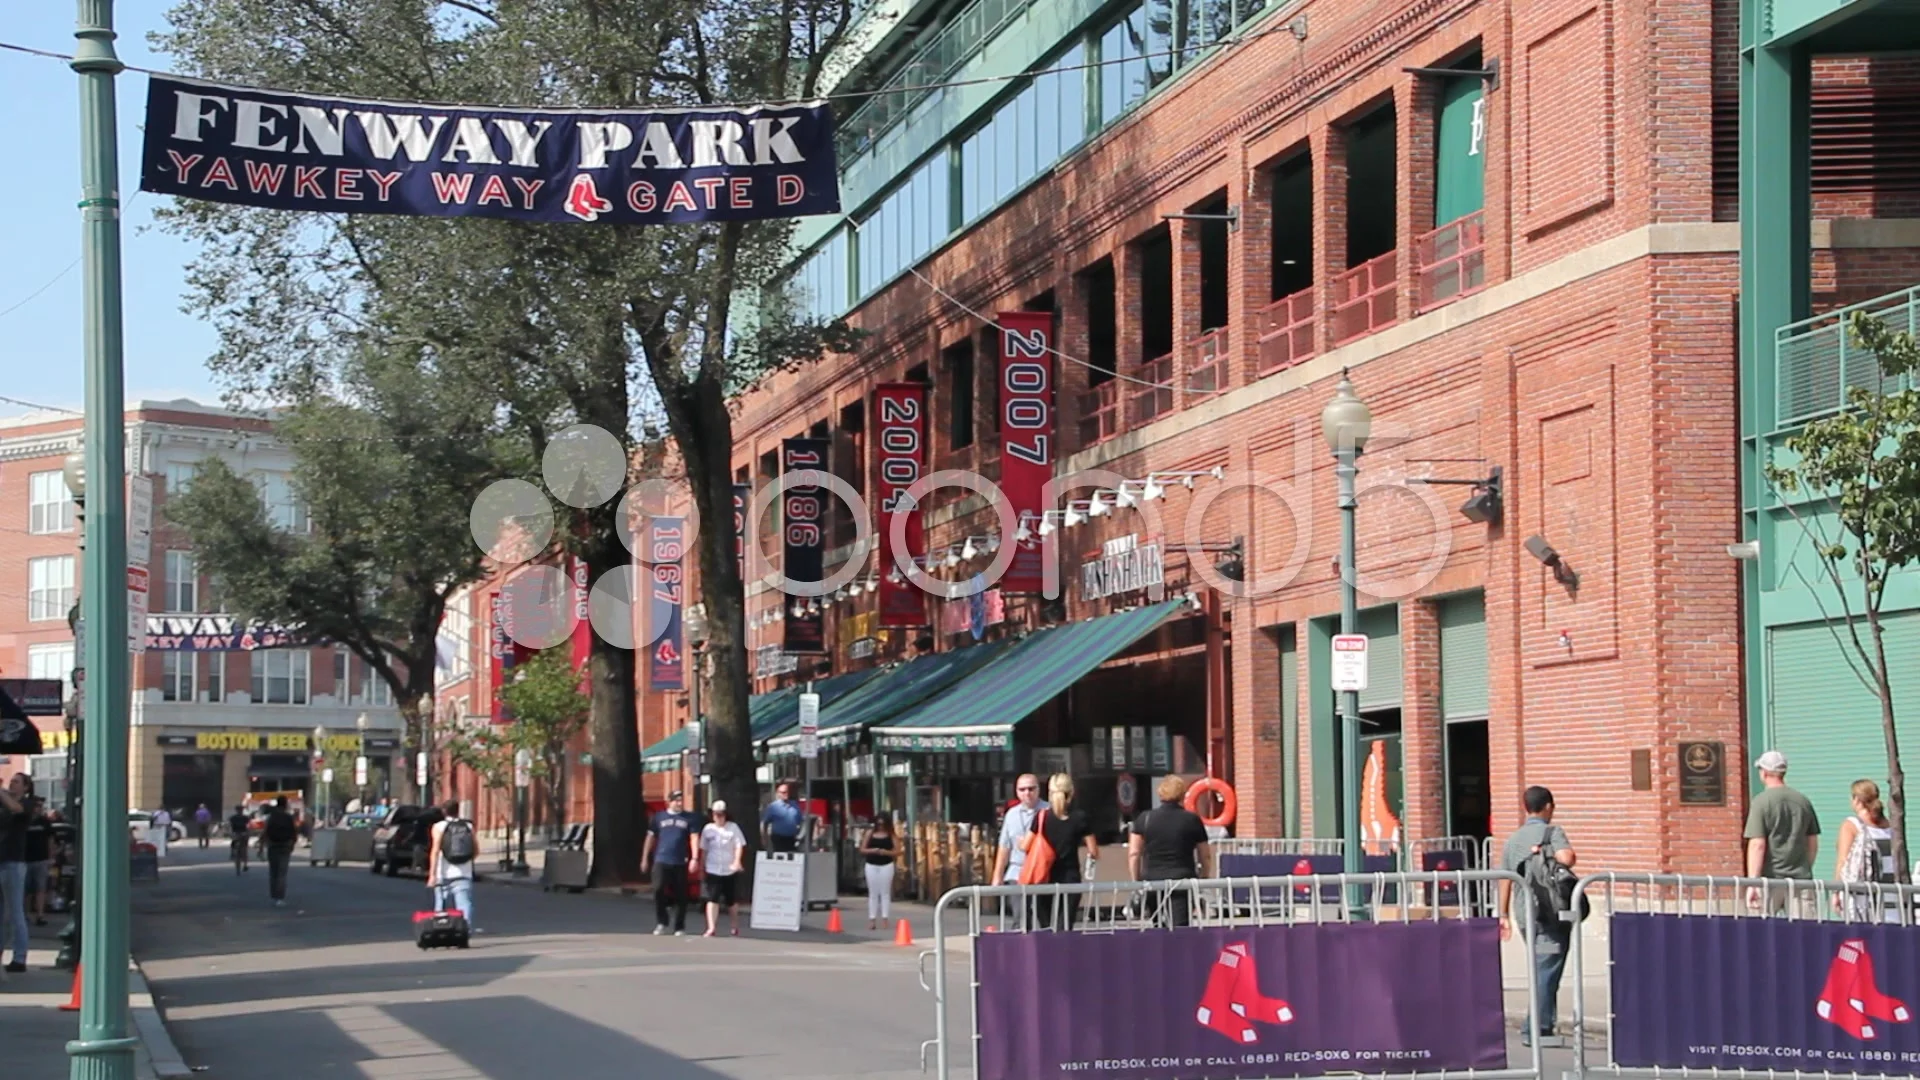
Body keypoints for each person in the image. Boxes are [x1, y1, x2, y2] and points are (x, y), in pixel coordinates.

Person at [1500, 785, 1577, 1046]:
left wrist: (1503, 915)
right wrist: (1550, 853)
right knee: (1548, 967)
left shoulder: (1512, 840)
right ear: (1548, 807)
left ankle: (1545, 1026)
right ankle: (1535, 1028)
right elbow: (1567, 857)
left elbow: (1505, 880)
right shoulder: (1552, 832)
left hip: (1523, 913)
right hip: (1548, 912)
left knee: (1542, 965)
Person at [1128, 774, 1212, 929]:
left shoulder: (1145, 818)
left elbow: (1134, 854)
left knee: (1158, 925)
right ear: (1182, 794)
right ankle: (1179, 952)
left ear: (1160, 793)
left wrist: (1137, 879)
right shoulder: (1191, 820)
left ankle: (1161, 952)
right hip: (1182, 879)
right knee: (1180, 927)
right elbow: (1205, 855)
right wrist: (1203, 877)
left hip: (1153, 879)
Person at [1745, 750, 1820, 914]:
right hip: (1800, 882)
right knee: (1803, 935)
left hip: (1769, 881)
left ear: (1764, 773)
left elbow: (1757, 844)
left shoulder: (1761, 802)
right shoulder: (1802, 801)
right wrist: (1804, 867)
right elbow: (1812, 842)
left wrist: (1753, 883)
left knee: (1762, 934)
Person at [1031, 773, 1097, 931]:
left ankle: (1048, 954)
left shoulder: (1041, 817)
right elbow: (1093, 850)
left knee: (1046, 928)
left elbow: (1026, 845)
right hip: (1070, 878)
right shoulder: (1080, 817)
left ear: (1050, 792)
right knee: (1065, 926)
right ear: (1072, 793)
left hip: (1043, 877)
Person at [1834, 778, 1896, 922]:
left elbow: (1843, 862)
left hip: (1862, 900)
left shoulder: (1852, 825)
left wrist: (1836, 892)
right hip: (1892, 898)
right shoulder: (1891, 826)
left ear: (1856, 800)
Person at [642, 790, 698, 936]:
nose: (679, 803)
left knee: (681, 894)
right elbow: (650, 838)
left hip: (680, 860)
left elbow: (694, 837)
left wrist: (694, 858)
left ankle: (679, 926)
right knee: (658, 888)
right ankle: (662, 921)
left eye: (681, 800)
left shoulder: (688, 818)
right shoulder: (659, 817)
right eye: (676, 800)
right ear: (670, 801)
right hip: (661, 859)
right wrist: (644, 858)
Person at [428, 799, 479, 933]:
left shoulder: (439, 827)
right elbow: (476, 850)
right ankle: (465, 930)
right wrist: (467, 861)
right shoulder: (468, 826)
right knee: (464, 904)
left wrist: (432, 875)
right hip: (463, 872)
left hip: (443, 873)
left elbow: (435, 850)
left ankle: (441, 931)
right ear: (458, 810)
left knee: (441, 905)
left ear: (444, 812)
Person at [0, 774, 34, 971]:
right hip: (1, 859)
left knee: (15, 912)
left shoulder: (26, 804)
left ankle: (19, 957)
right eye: (11, 781)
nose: (12, 784)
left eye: (17, 782)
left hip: (14, 863)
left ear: (26, 788)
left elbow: (16, 809)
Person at [699, 800, 747, 937]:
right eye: (715, 814)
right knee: (712, 898)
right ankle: (711, 927)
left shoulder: (733, 828)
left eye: (721, 815)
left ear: (725, 815)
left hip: (729, 869)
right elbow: (704, 849)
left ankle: (734, 925)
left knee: (730, 900)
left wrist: (737, 861)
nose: (718, 817)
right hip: (713, 868)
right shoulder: (708, 829)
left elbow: (739, 846)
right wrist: (701, 868)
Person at [990, 774, 1044, 889]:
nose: (1027, 793)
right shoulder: (1011, 814)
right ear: (1016, 791)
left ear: (1038, 789)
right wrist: (997, 875)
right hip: (1016, 874)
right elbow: (1004, 846)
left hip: (1042, 874)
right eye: (1022, 789)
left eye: (1031, 789)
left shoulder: (1049, 811)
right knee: (1019, 907)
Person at [860, 817, 899, 930]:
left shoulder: (891, 835)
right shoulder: (870, 833)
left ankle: (885, 919)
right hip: (871, 864)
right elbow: (862, 849)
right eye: (878, 824)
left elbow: (898, 851)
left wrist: (886, 852)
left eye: (883, 824)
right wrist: (873, 850)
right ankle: (872, 919)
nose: (880, 826)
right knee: (873, 893)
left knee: (885, 893)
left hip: (886, 865)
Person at [262, 796, 298, 907]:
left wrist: (262, 846)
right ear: (286, 804)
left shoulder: (271, 817)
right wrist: (292, 844)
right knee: (282, 873)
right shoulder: (289, 817)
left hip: (273, 846)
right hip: (285, 846)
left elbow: (265, 831)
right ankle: (280, 898)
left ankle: (274, 896)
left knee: (273, 872)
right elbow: (294, 832)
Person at [23, 791, 50, 927]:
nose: (39, 808)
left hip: (41, 859)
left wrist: (51, 857)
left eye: (40, 806)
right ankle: (25, 915)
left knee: (41, 888)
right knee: (26, 890)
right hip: (25, 859)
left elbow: (50, 839)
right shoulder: (24, 820)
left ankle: (40, 915)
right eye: (37, 805)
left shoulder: (44, 822)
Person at [762, 781, 803, 853]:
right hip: (778, 838)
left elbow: (800, 820)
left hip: (791, 838)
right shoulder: (773, 807)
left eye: (787, 792)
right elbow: (765, 822)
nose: (786, 794)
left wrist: (799, 833)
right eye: (783, 792)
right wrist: (764, 838)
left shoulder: (795, 805)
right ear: (778, 794)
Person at [227, 805, 251, 874]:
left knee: (243, 849)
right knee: (241, 848)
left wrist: (247, 833)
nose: (240, 811)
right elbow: (230, 826)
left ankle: (244, 864)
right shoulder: (244, 818)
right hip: (239, 834)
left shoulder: (235, 818)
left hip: (240, 834)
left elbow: (248, 826)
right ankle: (244, 864)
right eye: (239, 810)